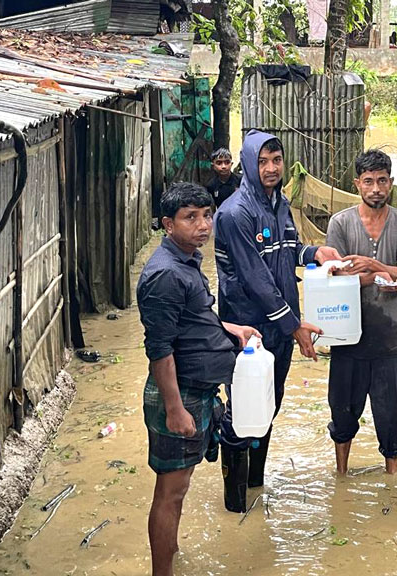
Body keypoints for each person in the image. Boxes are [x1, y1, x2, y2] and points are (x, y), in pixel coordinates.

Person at [213, 130, 342, 512]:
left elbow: (284, 251)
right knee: (243, 410)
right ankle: (236, 503)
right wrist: (295, 325)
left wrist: (314, 251)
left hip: (280, 325)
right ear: (249, 165)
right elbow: (256, 279)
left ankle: (255, 485)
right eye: (262, 161)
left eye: (277, 160)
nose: (271, 168)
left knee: (269, 403)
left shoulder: (279, 203)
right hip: (247, 330)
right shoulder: (236, 213)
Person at [138, 183, 259, 575]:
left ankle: (170, 553)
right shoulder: (165, 275)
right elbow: (160, 349)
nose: (203, 224)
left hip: (198, 391)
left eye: (207, 215)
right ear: (167, 224)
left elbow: (192, 323)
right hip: (181, 394)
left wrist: (230, 328)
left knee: (181, 485)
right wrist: (175, 410)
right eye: (190, 217)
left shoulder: (186, 262)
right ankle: (162, 572)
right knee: (171, 492)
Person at [324, 150, 397, 476]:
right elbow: (335, 276)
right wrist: (383, 274)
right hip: (347, 335)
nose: (376, 188)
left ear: (391, 183)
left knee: (391, 417)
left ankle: (391, 478)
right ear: (357, 184)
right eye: (369, 181)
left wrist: (372, 266)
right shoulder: (340, 223)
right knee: (342, 413)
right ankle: (341, 474)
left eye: (382, 180)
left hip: (390, 338)